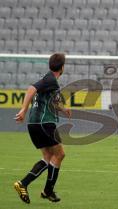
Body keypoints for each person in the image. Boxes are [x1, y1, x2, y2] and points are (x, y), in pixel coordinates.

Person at [14, 53, 71, 203]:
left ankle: (23, 184)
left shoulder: (49, 80)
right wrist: (23, 110)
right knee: (59, 154)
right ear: (62, 67)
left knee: (48, 157)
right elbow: (31, 89)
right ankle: (47, 191)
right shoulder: (50, 79)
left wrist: (63, 109)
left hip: (35, 123)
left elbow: (52, 102)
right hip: (44, 123)